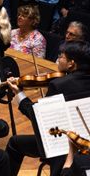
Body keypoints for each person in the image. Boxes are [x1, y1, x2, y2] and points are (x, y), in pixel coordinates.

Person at [6, 41, 90, 175]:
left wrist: (20, 95)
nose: (57, 60)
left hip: (63, 145)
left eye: (61, 56)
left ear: (71, 64)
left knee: (15, 143)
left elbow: (39, 119)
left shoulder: (58, 85)